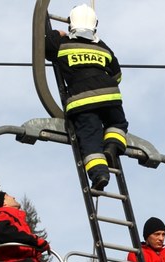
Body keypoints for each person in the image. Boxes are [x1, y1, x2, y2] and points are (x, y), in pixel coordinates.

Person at [45, 4, 128, 191]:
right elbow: (118, 76)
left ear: (71, 23)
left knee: (90, 138)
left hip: (82, 102)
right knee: (117, 124)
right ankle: (113, 147)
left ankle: (100, 174)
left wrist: (57, 34)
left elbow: (45, 47)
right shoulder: (103, 47)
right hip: (109, 96)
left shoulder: (62, 44)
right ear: (95, 24)